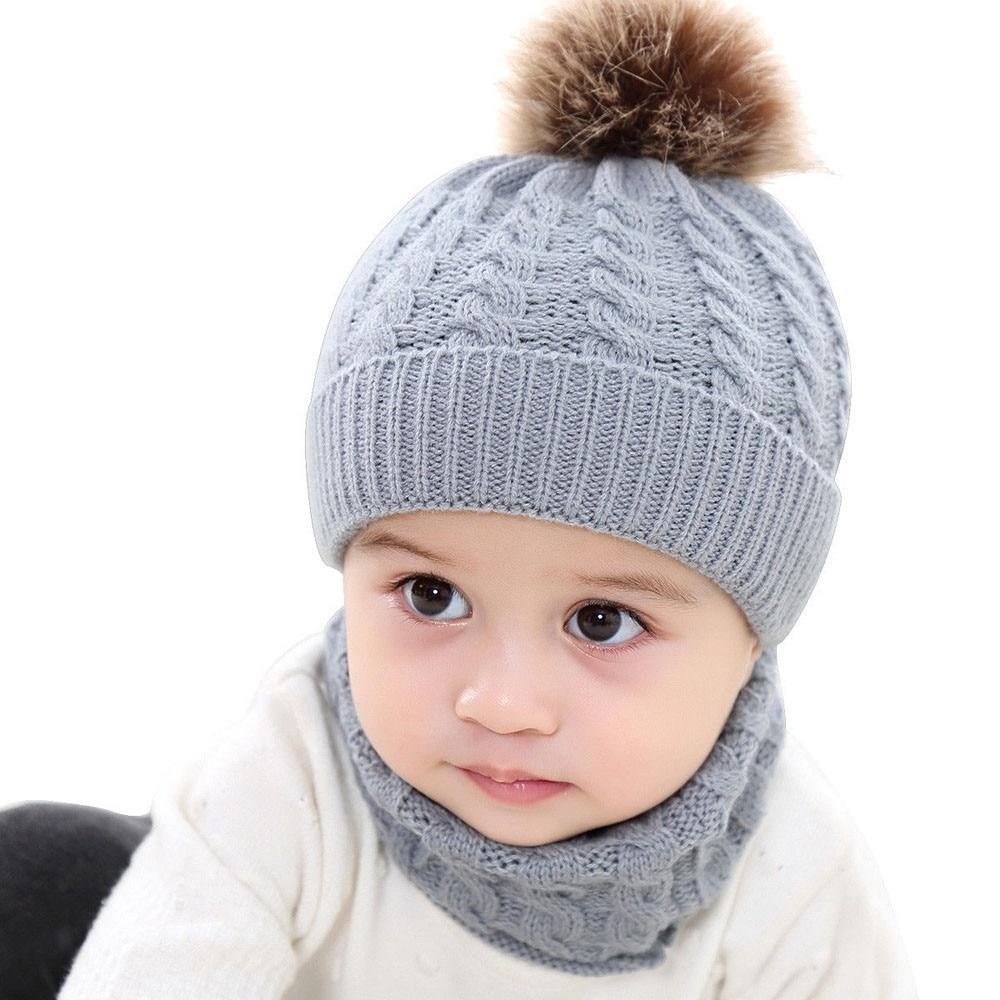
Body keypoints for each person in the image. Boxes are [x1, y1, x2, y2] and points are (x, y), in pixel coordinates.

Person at [17, 0, 920, 996]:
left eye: (602, 619)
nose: (501, 702)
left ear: (753, 634)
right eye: (430, 595)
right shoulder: (295, 770)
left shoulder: (797, 883)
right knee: (46, 874)